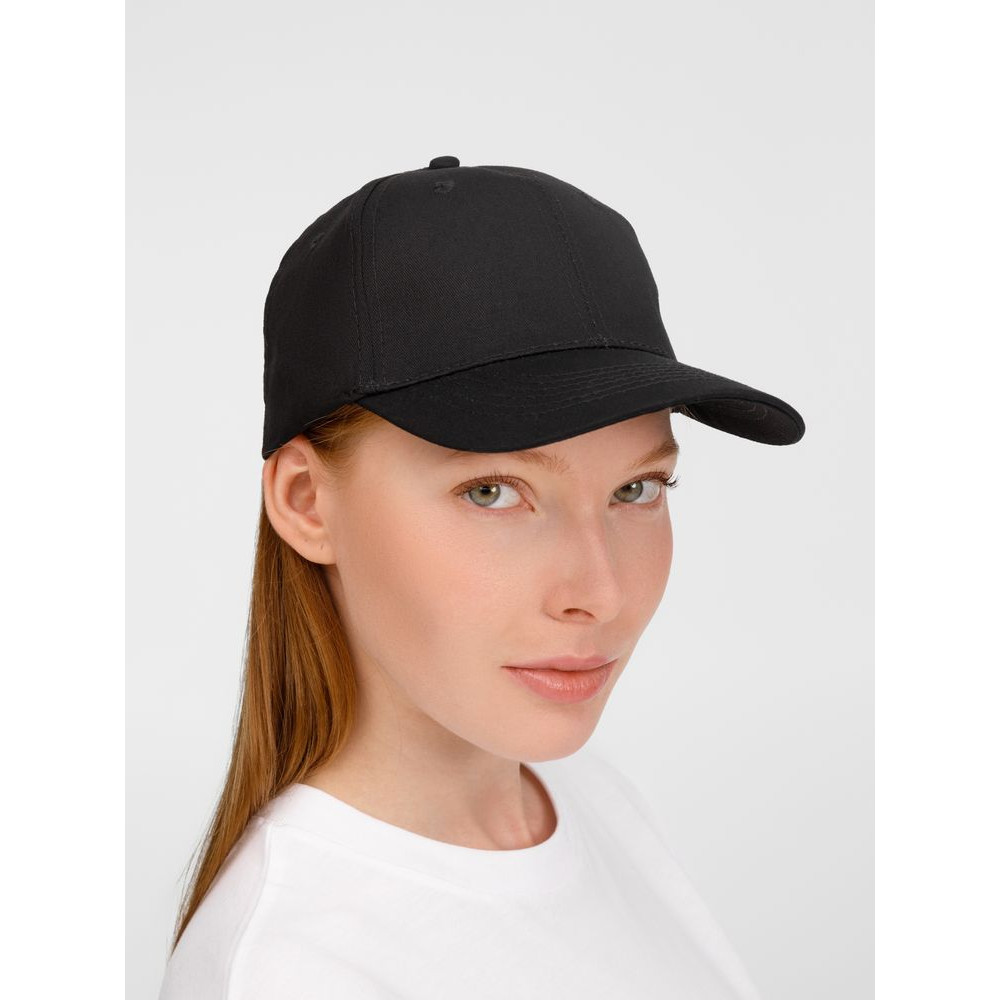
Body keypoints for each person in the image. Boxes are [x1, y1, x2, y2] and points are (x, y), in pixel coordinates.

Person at [158, 156, 805, 999]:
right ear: (307, 502)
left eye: (637, 489)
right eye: (493, 492)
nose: (601, 593)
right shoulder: (296, 971)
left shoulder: (585, 798)